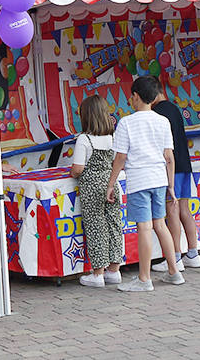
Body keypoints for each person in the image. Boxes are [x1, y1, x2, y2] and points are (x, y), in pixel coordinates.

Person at [105, 75, 183, 291]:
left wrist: (111, 184)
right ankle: (174, 271)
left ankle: (144, 278)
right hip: (159, 180)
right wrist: (171, 186)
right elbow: (169, 157)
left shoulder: (126, 123)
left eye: (131, 96)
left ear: (136, 96)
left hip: (139, 181)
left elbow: (121, 157)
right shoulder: (163, 121)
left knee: (145, 228)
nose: (131, 100)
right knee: (160, 225)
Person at [70, 95, 124, 287]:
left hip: (92, 188)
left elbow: (78, 169)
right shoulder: (112, 137)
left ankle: (98, 273)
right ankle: (114, 270)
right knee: (114, 225)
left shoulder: (84, 139)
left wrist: (71, 172)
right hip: (111, 184)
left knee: (96, 227)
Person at [151, 90, 200, 268]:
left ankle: (175, 258)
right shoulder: (174, 108)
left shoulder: (158, 112)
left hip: (171, 167)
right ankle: (193, 253)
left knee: (172, 210)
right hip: (184, 164)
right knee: (184, 209)